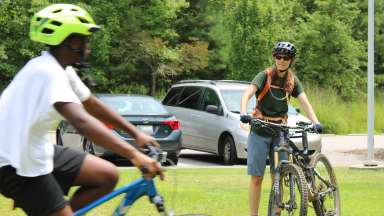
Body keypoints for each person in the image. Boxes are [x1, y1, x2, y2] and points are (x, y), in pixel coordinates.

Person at [0, 4, 164, 216]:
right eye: (84, 37)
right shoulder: (47, 73)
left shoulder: (62, 70)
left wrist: (136, 134)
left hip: (34, 150)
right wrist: (134, 154)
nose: (88, 43)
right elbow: (82, 121)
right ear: (68, 40)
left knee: (106, 175)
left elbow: (92, 104)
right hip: (13, 162)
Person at [240, 41, 322, 216]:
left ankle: (276, 213)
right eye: (279, 56)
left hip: (280, 131)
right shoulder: (265, 76)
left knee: (279, 175)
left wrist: (315, 121)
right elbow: (247, 94)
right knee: (257, 177)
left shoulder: (292, 80)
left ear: (291, 60)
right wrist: (243, 112)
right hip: (260, 129)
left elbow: (305, 102)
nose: (282, 60)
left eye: (286, 58)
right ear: (274, 58)